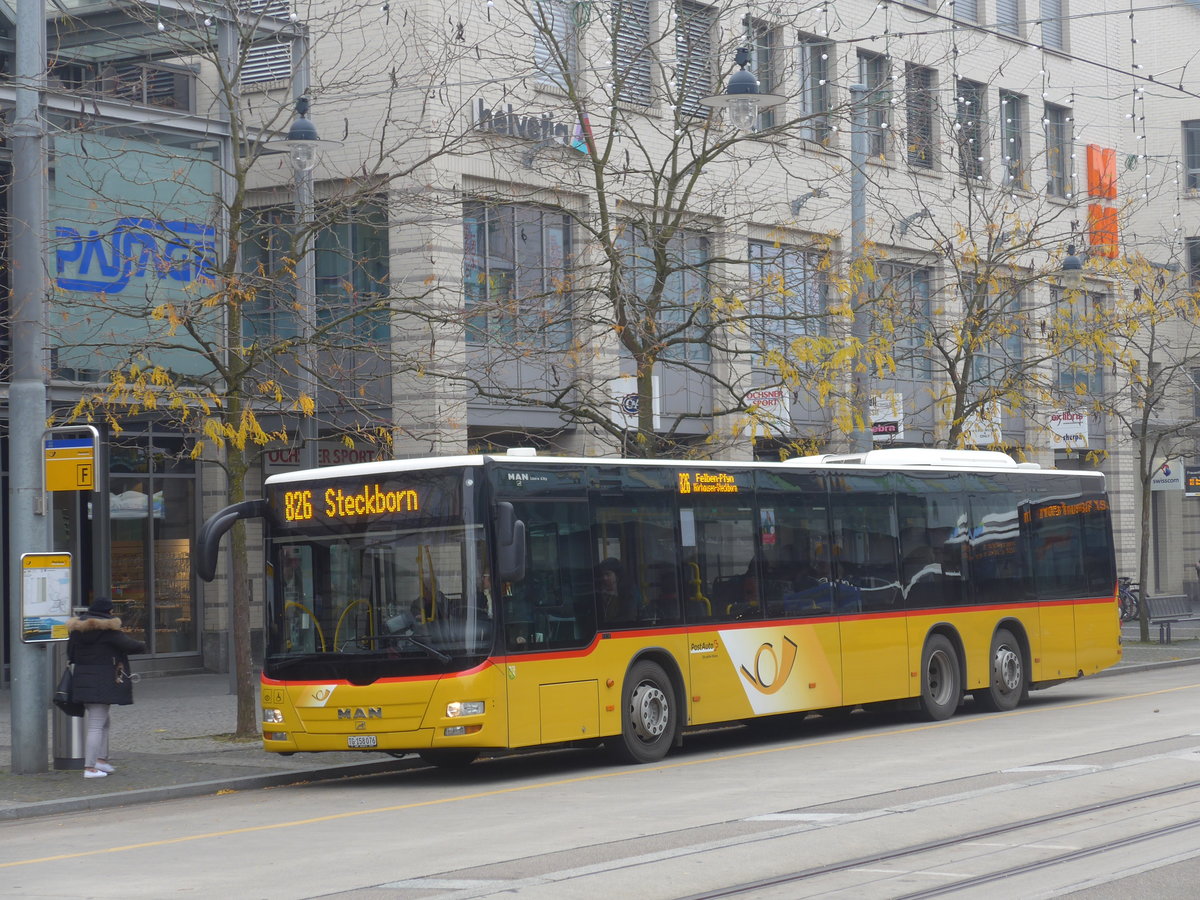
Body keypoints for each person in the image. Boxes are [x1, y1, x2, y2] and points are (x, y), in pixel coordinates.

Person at [66, 596, 146, 779]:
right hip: (101, 682)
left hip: (83, 680)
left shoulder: (77, 631)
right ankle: (90, 767)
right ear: (109, 612)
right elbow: (132, 646)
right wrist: (145, 643)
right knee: (96, 725)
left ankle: (101, 761)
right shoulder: (109, 631)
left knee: (103, 721)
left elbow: (71, 654)